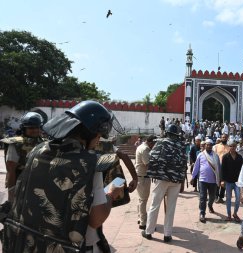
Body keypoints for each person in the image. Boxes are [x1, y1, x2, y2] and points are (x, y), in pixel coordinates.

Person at [2, 100, 125, 252]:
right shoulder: (90, 163)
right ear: (90, 134)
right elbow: (96, 219)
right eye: (99, 135)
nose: (99, 140)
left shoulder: (37, 151)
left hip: (26, 242)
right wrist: (111, 194)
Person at [141, 125, 187, 243]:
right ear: (177, 134)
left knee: (154, 205)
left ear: (167, 133)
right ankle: (167, 235)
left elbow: (153, 158)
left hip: (162, 178)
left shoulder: (161, 143)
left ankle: (149, 232)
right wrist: (181, 179)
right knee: (171, 208)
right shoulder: (181, 145)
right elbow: (184, 163)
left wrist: (155, 173)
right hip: (176, 180)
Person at [0, 112, 45, 202]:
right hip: (20, 184)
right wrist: (11, 197)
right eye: (31, 128)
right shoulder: (16, 144)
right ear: (24, 128)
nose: (36, 130)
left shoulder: (45, 143)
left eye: (38, 127)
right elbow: (11, 171)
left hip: (39, 185)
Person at [191, 139, 220, 223]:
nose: (208, 146)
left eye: (210, 145)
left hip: (213, 181)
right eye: (207, 145)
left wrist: (219, 179)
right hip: (202, 180)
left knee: (212, 197)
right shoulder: (200, 155)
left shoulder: (216, 156)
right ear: (205, 145)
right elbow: (196, 167)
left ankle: (210, 205)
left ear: (212, 146)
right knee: (203, 197)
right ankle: (202, 213)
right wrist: (193, 177)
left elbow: (218, 168)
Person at [135, 135, 156, 230]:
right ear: (151, 142)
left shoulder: (141, 147)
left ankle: (140, 218)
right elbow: (147, 164)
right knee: (143, 200)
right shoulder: (145, 149)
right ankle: (143, 222)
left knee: (141, 199)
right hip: (143, 177)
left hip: (140, 176)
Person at [220, 140, 243, 222]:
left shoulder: (240, 157)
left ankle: (235, 213)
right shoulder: (225, 157)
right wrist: (222, 180)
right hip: (228, 181)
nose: (232, 147)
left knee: (237, 199)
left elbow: (242, 170)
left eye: (233, 146)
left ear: (236, 147)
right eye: (230, 146)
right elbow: (222, 169)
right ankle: (229, 215)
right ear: (228, 147)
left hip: (237, 182)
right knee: (228, 199)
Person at [213, 133, 230, 203]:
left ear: (227, 138)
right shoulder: (216, 146)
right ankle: (216, 196)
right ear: (220, 138)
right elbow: (213, 156)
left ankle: (221, 197)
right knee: (217, 181)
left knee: (224, 182)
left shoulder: (229, 147)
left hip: (226, 167)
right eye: (223, 137)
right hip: (217, 166)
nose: (224, 138)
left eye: (225, 137)